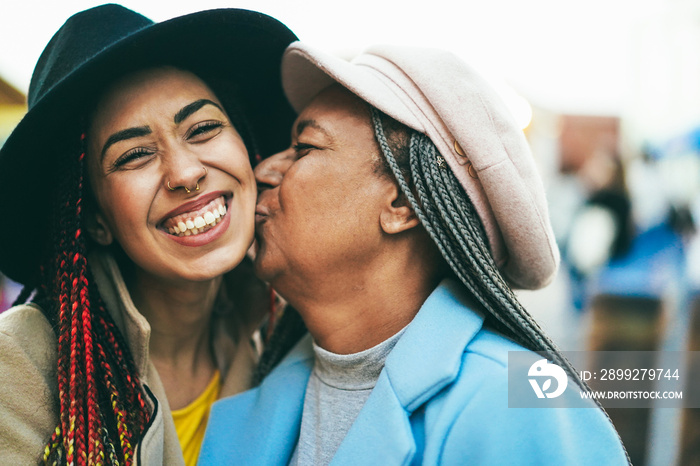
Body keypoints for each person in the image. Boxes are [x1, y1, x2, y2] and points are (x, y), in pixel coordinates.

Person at [199, 43, 630, 465]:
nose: (264, 171)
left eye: (305, 147)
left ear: (402, 204)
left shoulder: (523, 405)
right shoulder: (260, 384)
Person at [0, 4, 296, 465]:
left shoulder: (284, 328)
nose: (186, 173)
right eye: (134, 155)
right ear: (94, 219)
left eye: (203, 128)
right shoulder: (21, 366)